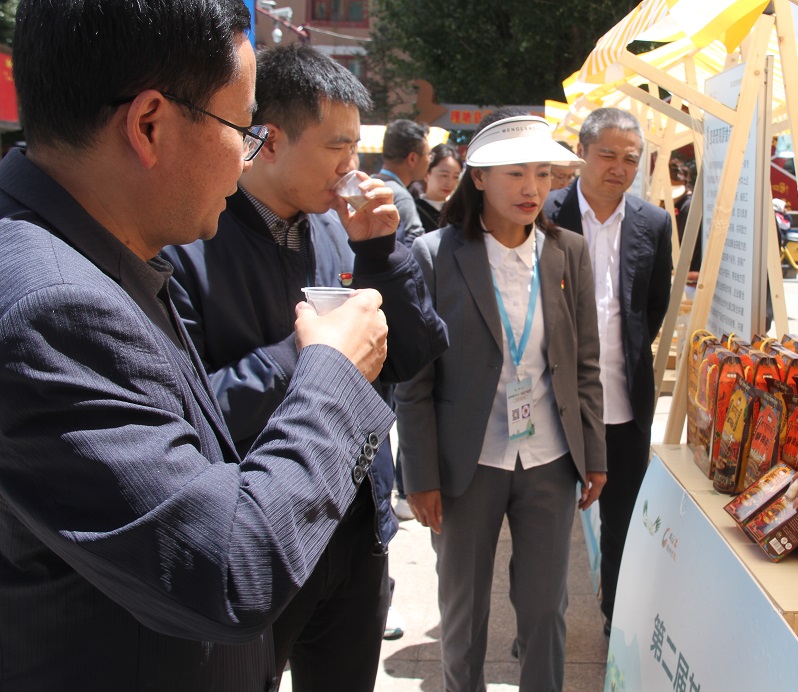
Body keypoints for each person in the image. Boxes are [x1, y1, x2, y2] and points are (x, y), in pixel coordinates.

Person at [0, 2, 397, 690]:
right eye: (242, 130)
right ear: (149, 125)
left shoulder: (99, 255)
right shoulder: (52, 308)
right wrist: (330, 372)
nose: (246, 158)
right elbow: (231, 568)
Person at [161, 44, 448, 691]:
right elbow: (193, 410)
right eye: (336, 147)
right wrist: (311, 356)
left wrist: (382, 253)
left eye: (355, 147)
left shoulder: (342, 228)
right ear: (267, 140)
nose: (352, 167)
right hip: (257, 534)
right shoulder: (190, 240)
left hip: (354, 528)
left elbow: (411, 352)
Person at [395, 110, 607, 691]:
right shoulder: (434, 255)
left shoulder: (567, 253)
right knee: (463, 615)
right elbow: (414, 380)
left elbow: (585, 363)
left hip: (549, 459)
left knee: (546, 609)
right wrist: (420, 476)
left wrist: (594, 453)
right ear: (480, 177)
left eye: (542, 172)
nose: (531, 188)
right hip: (466, 464)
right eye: (515, 173)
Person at [544, 107, 673, 637]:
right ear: (582, 154)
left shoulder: (653, 222)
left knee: (622, 521)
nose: (620, 168)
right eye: (608, 155)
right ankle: (539, 625)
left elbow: (654, 305)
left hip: (623, 398)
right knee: (546, 524)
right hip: (553, 398)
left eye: (631, 159)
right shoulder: (544, 213)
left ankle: (614, 619)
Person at [376, 119, 430, 248]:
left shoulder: (368, 186)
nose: (429, 160)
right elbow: (416, 247)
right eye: (428, 154)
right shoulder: (401, 198)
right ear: (412, 158)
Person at [414, 142, 462, 234]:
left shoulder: (459, 211)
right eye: (444, 175)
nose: (450, 183)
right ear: (427, 173)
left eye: (456, 177)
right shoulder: (414, 209)